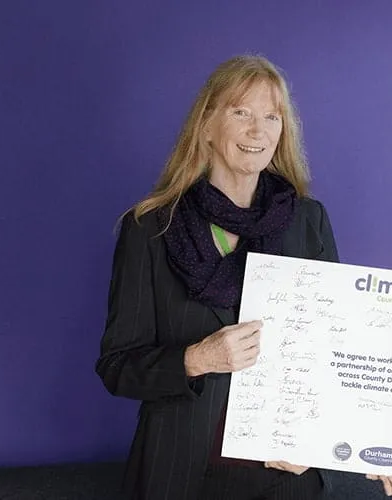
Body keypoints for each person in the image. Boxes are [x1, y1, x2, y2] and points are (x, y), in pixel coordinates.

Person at [96, 55, 341, 500]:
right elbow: (117, 367)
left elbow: (331, 353)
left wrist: (313, 440)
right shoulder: (150, 228)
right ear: (206, 125)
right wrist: (196, 359)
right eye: (241, 112)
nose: (258, 130)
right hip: (180, 474)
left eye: (272, 116)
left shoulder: (308, 221)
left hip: (286, 476)